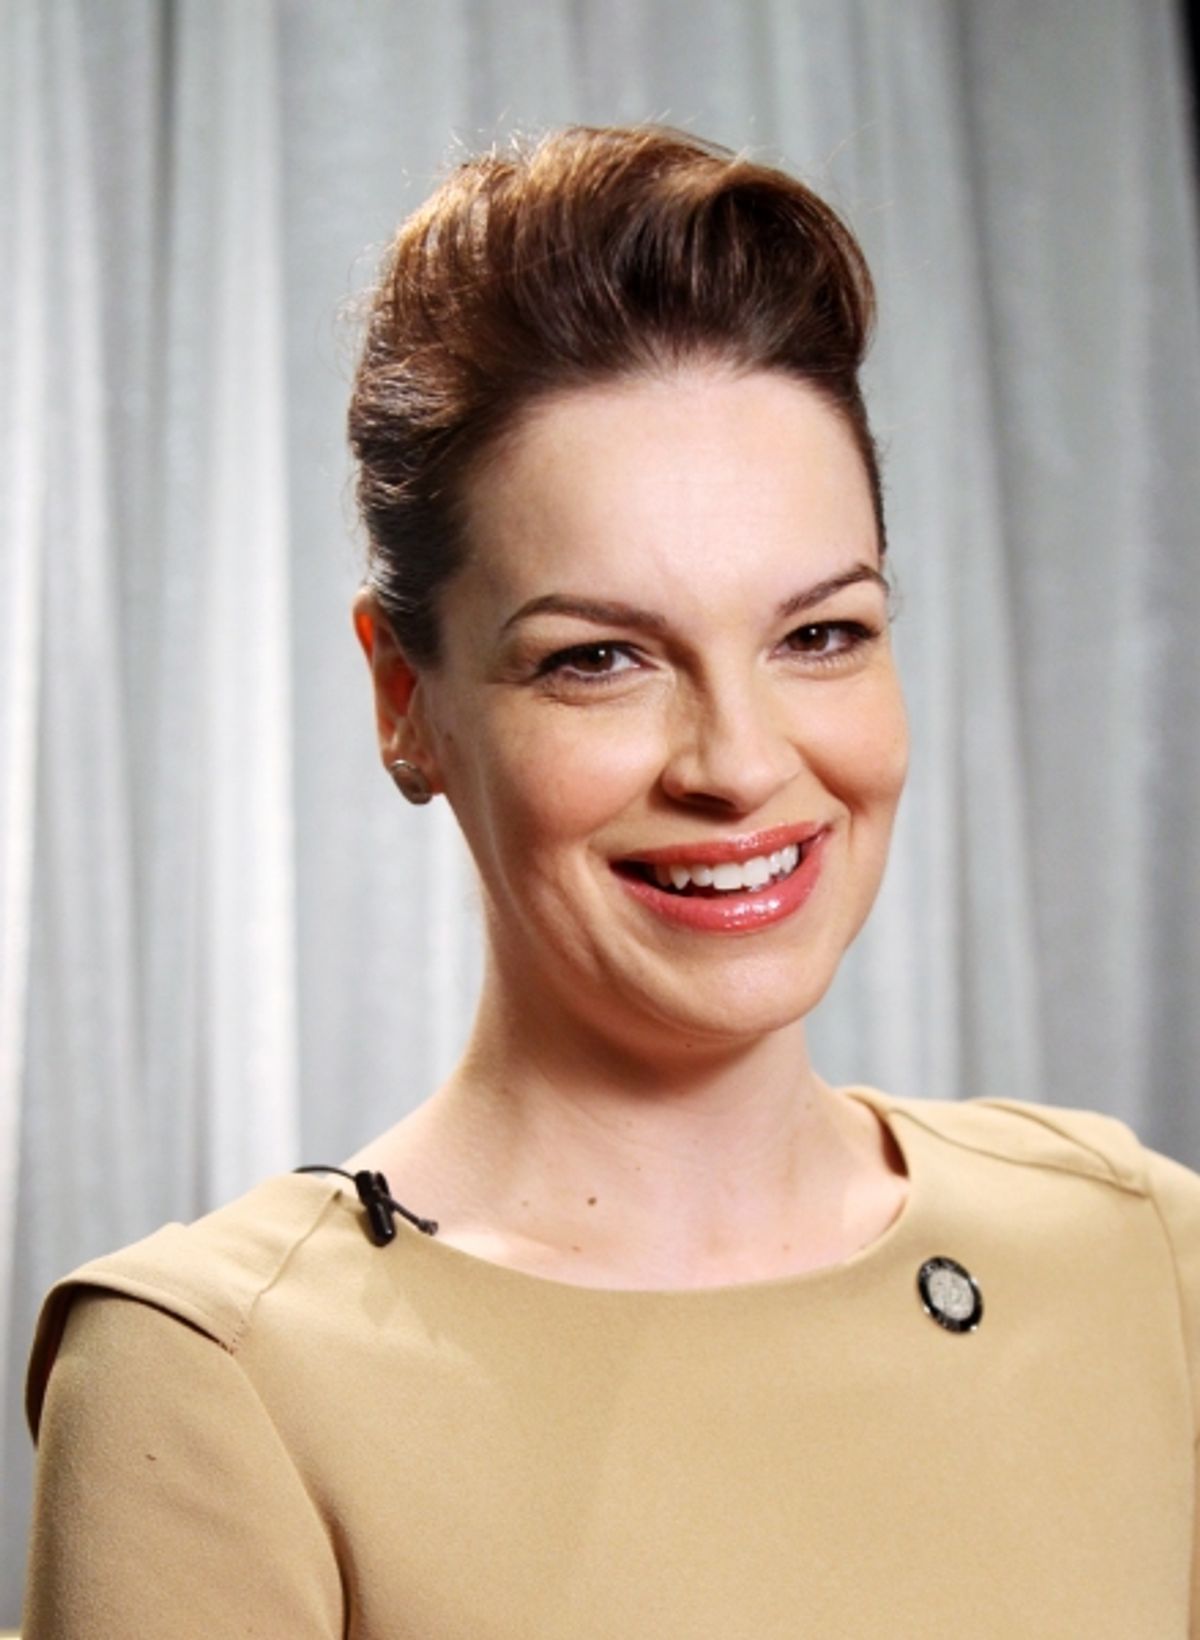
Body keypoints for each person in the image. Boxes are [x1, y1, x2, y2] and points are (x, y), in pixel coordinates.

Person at [20, 125, 1200, 1638]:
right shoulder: (216, 1379)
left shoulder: (1142, 1258)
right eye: (599, 659)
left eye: (820, 635)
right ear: (407, 702)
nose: (739, 761)